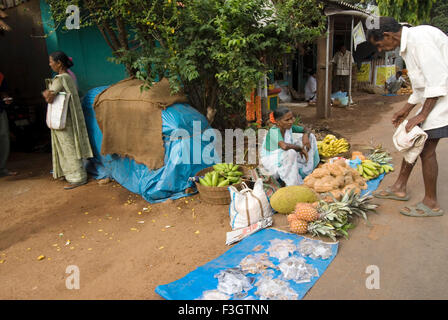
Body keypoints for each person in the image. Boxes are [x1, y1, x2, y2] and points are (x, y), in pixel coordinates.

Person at [369, 17, 448, 217]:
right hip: (435, 96)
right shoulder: (409, 44)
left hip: (443, 95)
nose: (380, 50)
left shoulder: (420, 40)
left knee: (426, 147)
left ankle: (431, 203)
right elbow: (421, 86)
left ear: (387, 35)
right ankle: (399, 187)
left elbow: (438, 81)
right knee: (413, 139)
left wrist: (421, 114)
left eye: (379, 45)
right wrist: (406, 110)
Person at [42, 51, 93, 189]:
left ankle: (77, 177)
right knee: (70, 146)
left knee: (68, 148)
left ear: (59, 63)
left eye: (51, 61)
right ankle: (73, 174)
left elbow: (50, 97)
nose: (50, 64)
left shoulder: (60, 78)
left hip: (63, 121)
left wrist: (45, 93)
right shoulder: (69, 76)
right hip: (70, 118)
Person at [261, 107, 320, 186]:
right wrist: (299, 148)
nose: (291, 122)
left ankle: (302, 169)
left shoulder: (289, 127)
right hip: (272, 160)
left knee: (311, 136)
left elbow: (306, 129)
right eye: (287, 120)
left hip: (283, 155)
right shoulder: (273, 131)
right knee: (291, 152)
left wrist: (305, 136)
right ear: (278, 122)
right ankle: (291, 184)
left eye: (291, 118)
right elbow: (284, 146)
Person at [0, 72, 17, 177]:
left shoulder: (0, 76)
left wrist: (6, 98)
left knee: (4, 137)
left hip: (0, 110)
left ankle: (1, 169)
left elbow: (3, 91)